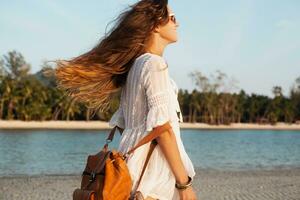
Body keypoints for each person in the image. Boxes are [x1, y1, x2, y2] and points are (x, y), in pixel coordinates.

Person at [49, 0, 197, 199]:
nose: (177, 23)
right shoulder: (155, 64)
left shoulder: (134, 67)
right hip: (153, 175)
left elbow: (125, 124)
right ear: (155, 25)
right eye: (172, 18)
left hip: (131, 168)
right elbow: (163, 129)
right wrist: (183, 184)